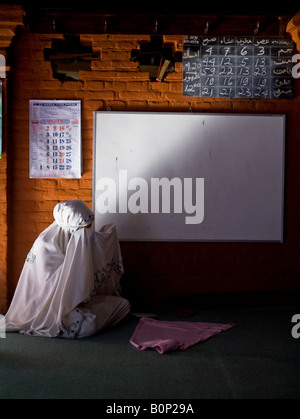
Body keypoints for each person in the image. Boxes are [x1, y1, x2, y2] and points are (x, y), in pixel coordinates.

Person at [3, 199, 130, 338]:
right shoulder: (46, 246)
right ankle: (69, 322)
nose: (86, 233)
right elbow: (52, 288)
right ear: (71, 225)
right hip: (47, 309)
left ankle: (76, 318)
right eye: (83, 229)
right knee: (89, 324)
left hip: (70, 302)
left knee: (123, 305)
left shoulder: (70, 239)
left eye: (88, 228)